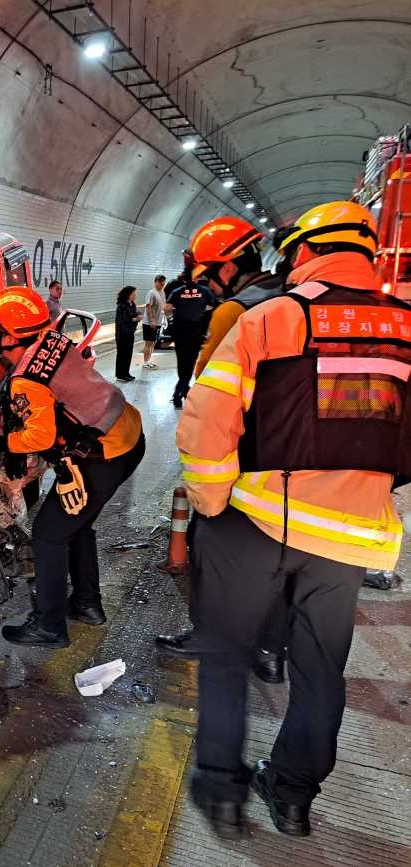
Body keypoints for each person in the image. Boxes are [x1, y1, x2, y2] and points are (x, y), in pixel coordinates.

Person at [177, 200, 408, 840]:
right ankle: (293, 795)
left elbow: (207, 420)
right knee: (319, 669)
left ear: (304, 252)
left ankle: (221, 791)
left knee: (226, 655)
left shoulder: (273, 317)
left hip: (258, 519)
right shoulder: (406, 326)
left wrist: (212, 503)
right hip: (347, 537)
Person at [155, 215, 294, 683]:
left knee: (210, 548)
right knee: (280, 559)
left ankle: (211, 635)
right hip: (287, 452)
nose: (208, 285)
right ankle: (270, 652)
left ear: (229, 267)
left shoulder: (235, 311)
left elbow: (210, 388)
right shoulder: (291, 297)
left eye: (210, 275)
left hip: (243, 451)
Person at [0, 286, 145, 648]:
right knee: (76, 525)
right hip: (127, 433)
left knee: (48, 534)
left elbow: (39, 436)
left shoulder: (26, 379)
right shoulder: (52, 339)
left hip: (103, 454)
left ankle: (49, 626)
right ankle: (86, 604)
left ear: (11, 337)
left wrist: (0, 441)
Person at [165, 256, 216, 408]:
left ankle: (183, 389)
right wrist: (201, 310)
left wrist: (175, 315)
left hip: (179, 333)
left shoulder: (177, 291)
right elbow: (214, 305)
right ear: (196, 277)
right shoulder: (204, 291)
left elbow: (167, 308)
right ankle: (179, 392)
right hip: (195, 332)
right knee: (190, 363)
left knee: (182, 363)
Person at [114, 286, 140, 382]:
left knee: (128, 354)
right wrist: (135, 319)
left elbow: (134, 315)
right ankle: (120, 375)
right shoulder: (122, 306)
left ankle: (126, 373)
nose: (135, 295)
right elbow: (124, 320)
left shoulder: (132, 304)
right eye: (133, 293)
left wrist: (138, 316)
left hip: (130, 333)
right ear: (128, 295)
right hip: (122, 334)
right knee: (122, 354)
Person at [141, 275, 166, 368]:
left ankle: (148, 361)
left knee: (153, 343)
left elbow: (162, 307)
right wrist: (152, 320)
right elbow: (148, 307)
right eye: (160, 282)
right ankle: (145, 362)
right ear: (156, 282)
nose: (162, 284)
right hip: (149, 323)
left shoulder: (162, 293)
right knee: (148, 343)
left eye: (163, 282)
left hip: (158, 322)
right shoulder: (151, 293)